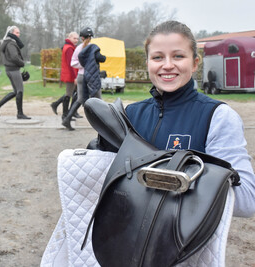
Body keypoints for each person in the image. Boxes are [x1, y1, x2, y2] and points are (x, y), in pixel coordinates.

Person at [125, 20, 255, 218]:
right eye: (158, 57)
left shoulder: (218, 117)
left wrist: (178, 179)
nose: (168, 65)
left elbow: (247, 201)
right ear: (148, 63)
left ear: (195, 63)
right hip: (127, 239)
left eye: (178, 56)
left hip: (185, 244)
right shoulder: (130, 114)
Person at [62, 27, 106, 131]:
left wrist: (83, 65)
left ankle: (67, 119)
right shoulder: (93, 48)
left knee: (80, 98)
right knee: (98, 98)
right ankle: (104, 123)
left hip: (81, 76)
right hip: (90, 76)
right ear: (90, 37)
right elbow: (102, 59)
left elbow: (73, 63)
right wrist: (88, 65)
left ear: (81, 37)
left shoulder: (79, 48)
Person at [0, 26, 31, 119]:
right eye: (17, 33)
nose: (19, 34)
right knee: (20, 90)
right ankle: (20, 114)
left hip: (9, 69)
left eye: (19, 33)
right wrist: (22, 63)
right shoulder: (11, 43)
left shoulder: (7, 42)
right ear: (12, 33)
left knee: (15, 92)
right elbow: (14, 57)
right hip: (13, 70)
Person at [50, 32, 82, 119]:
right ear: (69, 38)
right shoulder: (69, 49)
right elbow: (71, 64)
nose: (76, 40)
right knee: (69, 94)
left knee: (74, 93)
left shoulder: (69, 47)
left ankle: (68, 111)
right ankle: (65, 115)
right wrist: (75, 77)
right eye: (74, 38)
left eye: (77, 39)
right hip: (70, 75)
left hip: (71, 74)